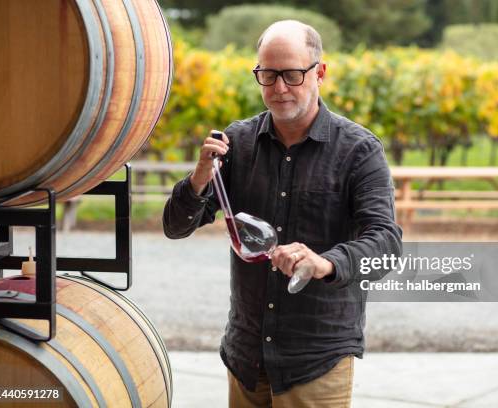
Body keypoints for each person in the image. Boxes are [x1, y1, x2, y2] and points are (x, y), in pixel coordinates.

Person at [163, 19, 403, 408]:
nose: (278, 88)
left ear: (319, 72)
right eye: (267, 75)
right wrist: (199, 179)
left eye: (292, 74)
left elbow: (386, 244)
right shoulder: (237, 143)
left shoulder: (358, 151)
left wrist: (324, 263)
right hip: (246, 354)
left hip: (315, 360)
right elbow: (175, 227)